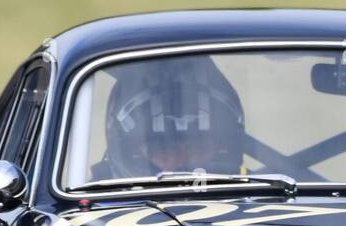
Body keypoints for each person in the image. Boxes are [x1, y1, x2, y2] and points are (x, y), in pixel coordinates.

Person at [94, 58, 245, 180]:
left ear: (223, 146)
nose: (179, 160)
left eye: (196, 145)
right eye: (164, 148)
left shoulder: (259, 188)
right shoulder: (90, 207)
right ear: (131, 152)